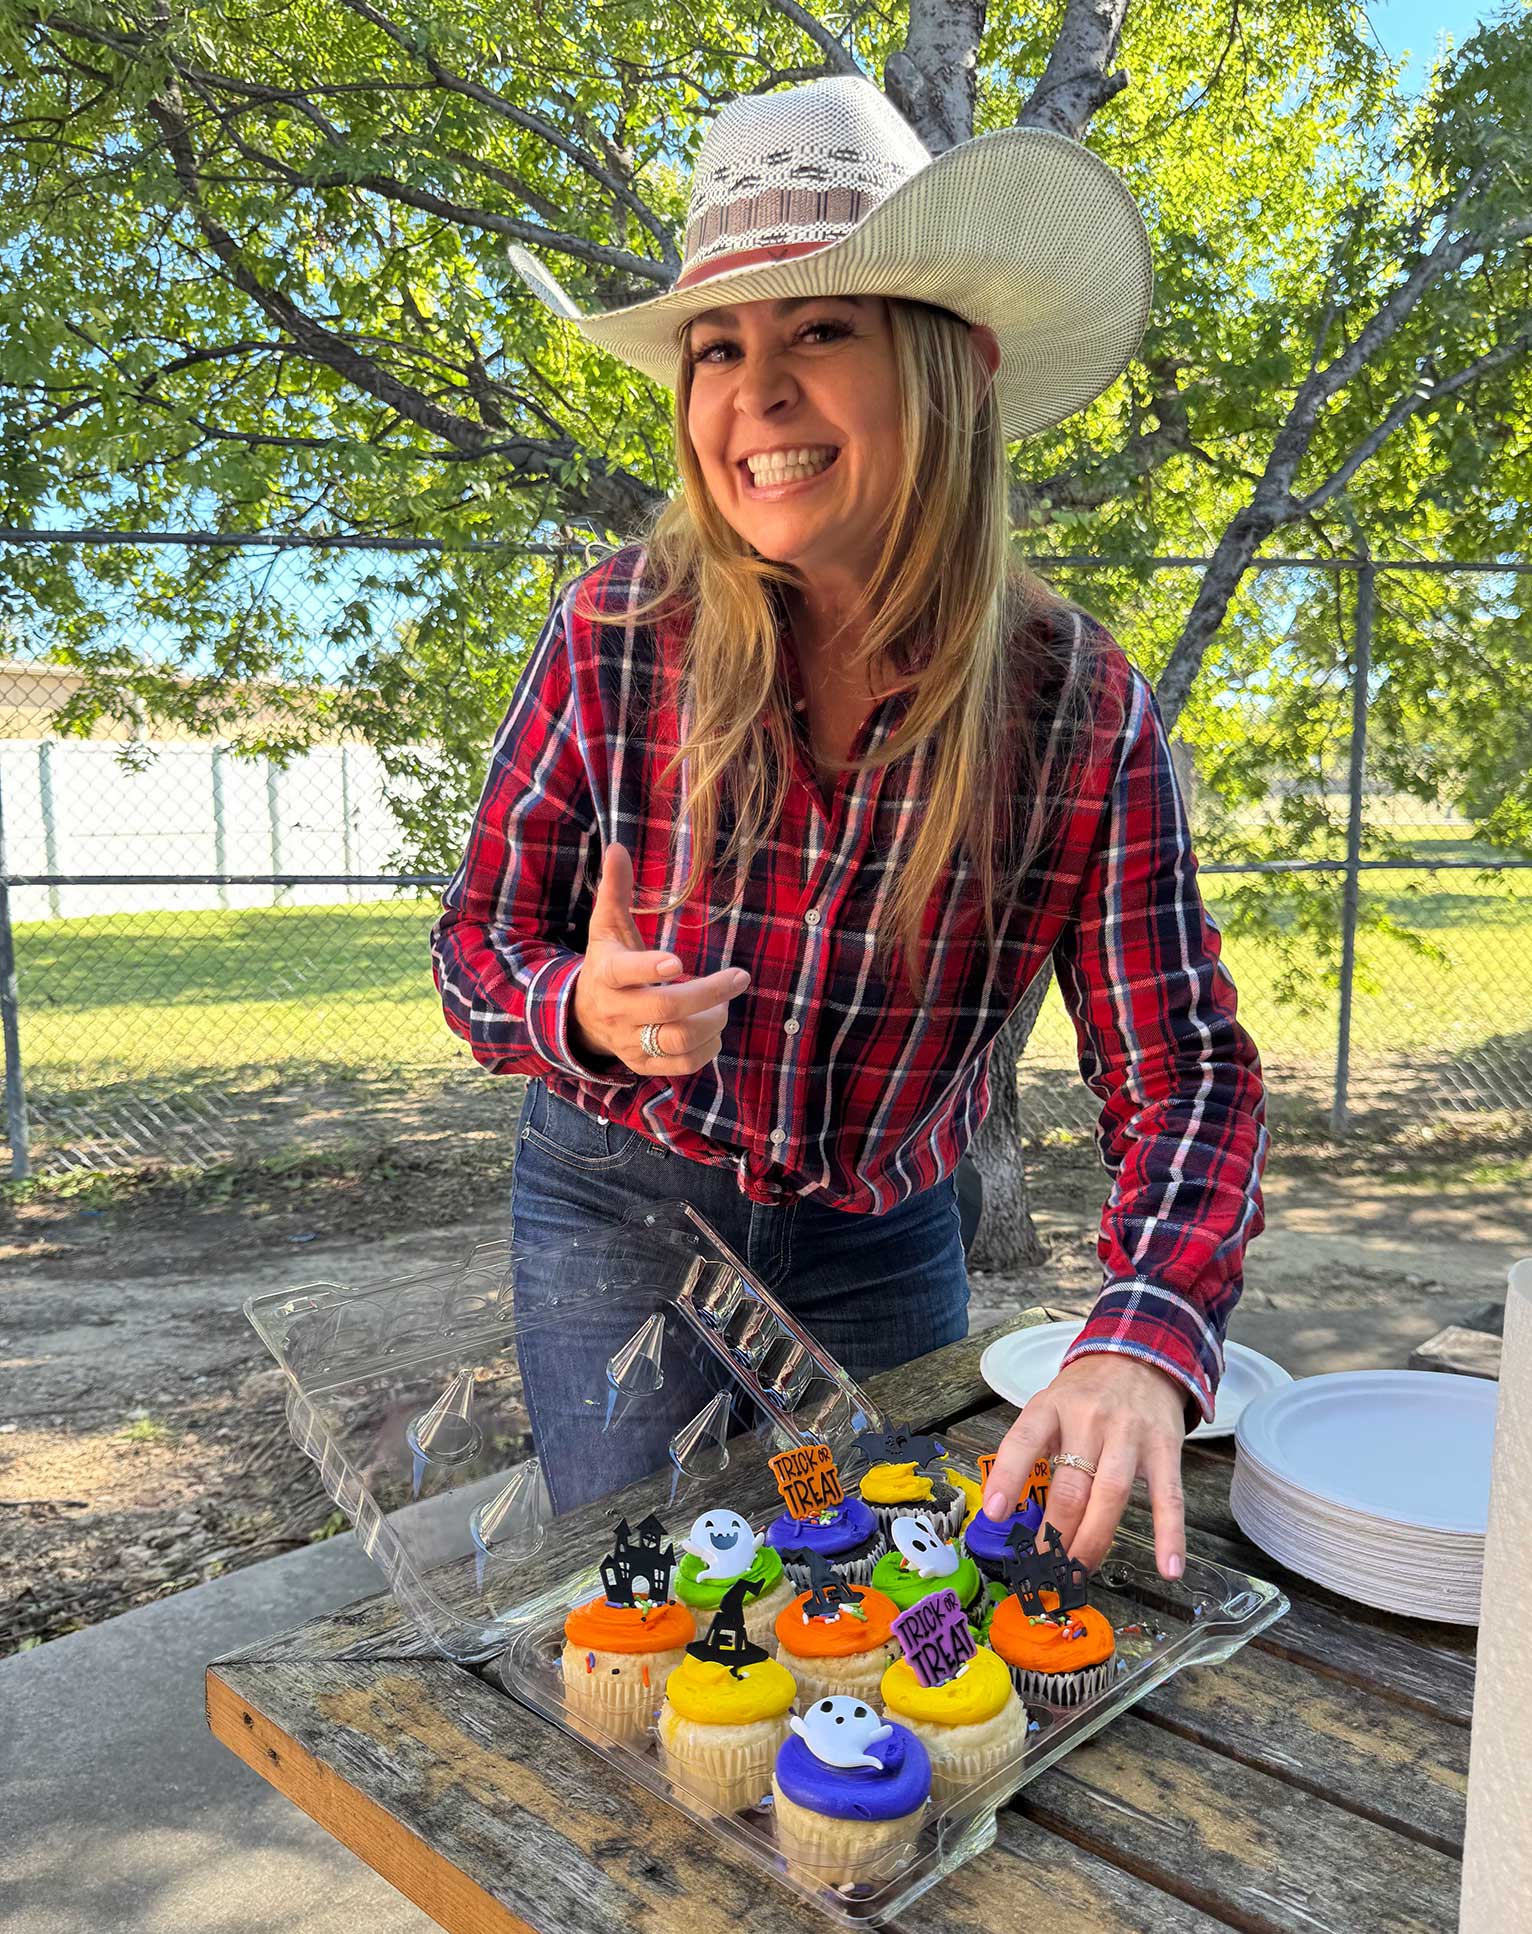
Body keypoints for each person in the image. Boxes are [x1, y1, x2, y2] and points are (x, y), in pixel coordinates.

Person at [432, 76, 1267, 1582]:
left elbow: (1181, 1068)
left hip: (885, 1247)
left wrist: (1143, 1331)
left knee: (870, 1612)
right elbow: (478, 945)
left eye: (819, 331)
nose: (754, 392)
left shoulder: (1074, 707)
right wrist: (583, 1007)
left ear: (952, 368)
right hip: (614, 1212)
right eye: (717, 349)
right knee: (648, 1606)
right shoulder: (620, 630)